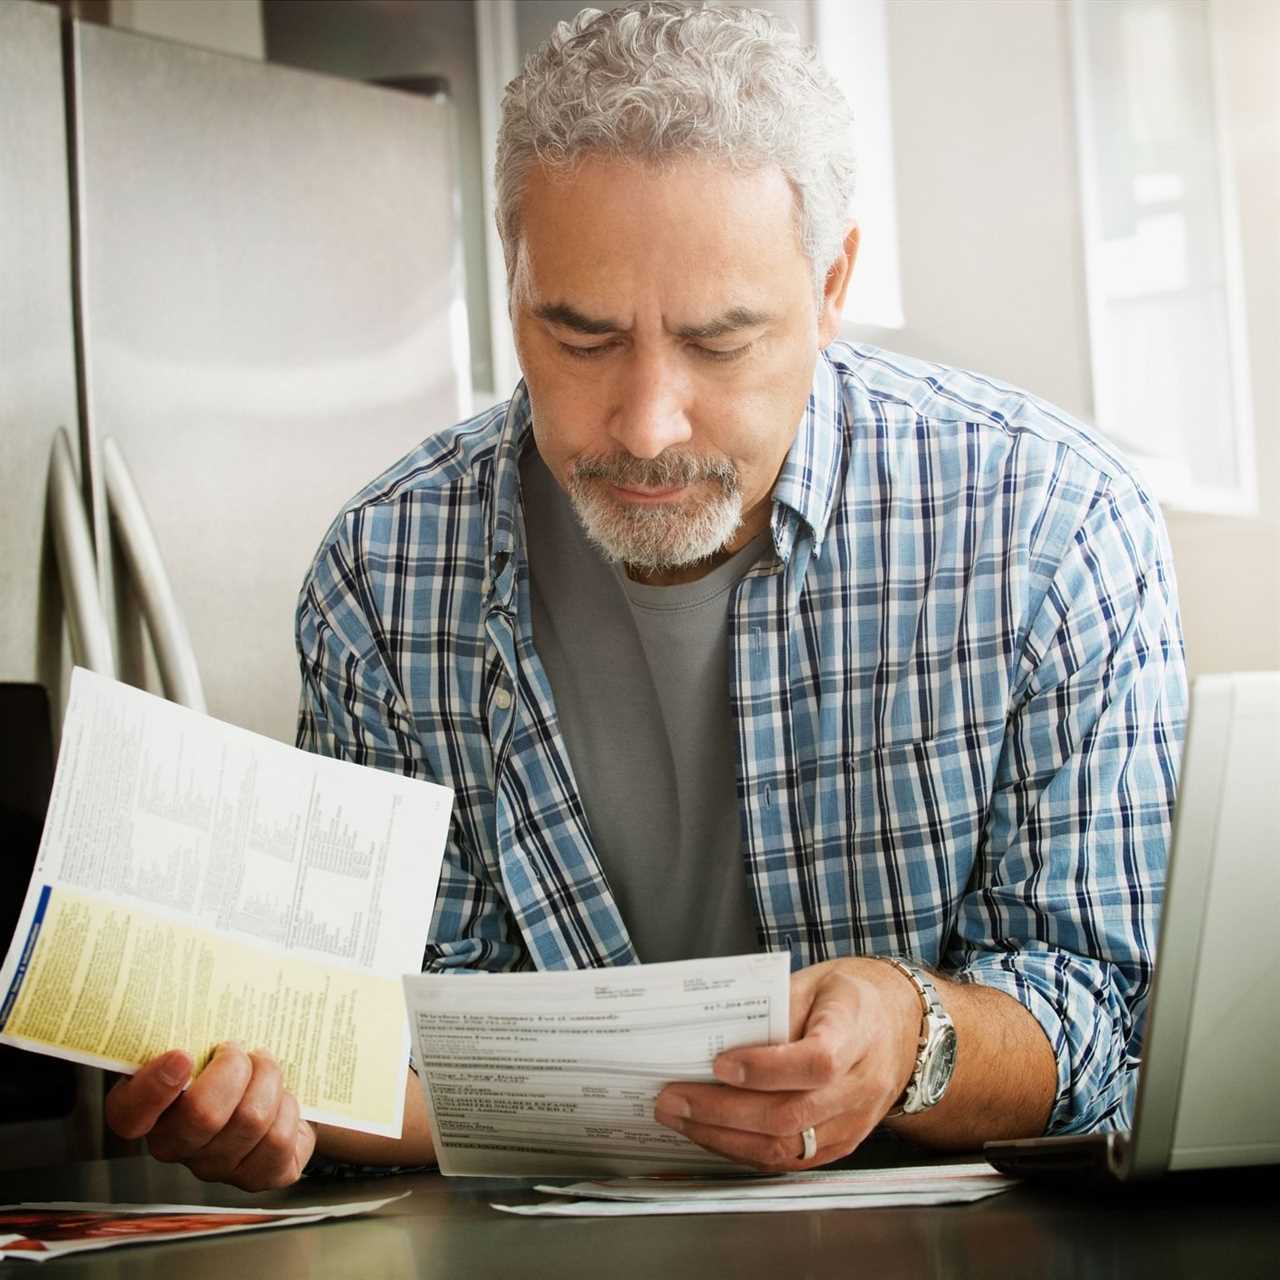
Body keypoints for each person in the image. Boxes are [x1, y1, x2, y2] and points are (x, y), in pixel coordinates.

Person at [104, 2, 1185, 1190]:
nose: (647, 424)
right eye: (579, 336)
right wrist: (282, 1107)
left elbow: (1104, 1019)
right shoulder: (382, 575)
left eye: (720, 344)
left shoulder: (1050, 527)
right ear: (512, 284)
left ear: (830, 283)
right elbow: (402, 1043)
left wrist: (913, 1030)